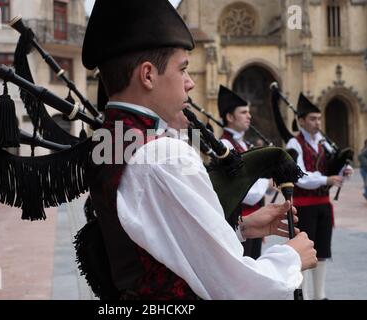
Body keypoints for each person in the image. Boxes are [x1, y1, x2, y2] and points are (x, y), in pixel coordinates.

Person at [83, 0, 316, 299]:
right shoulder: (164, 154)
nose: (191, 82)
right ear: (148, 75)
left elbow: (157, 245)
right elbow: (236, 288)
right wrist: (291, 258)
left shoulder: (110, 140)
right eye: (183, 69)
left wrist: (239, 229)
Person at [286, 93, 353, 300]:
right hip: (304, 207)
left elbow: (330, 169)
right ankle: (304, 297)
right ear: (301, 121)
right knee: (304, 252)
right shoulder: (294, 144)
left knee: (322, 251)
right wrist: (327, 180)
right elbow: (300, 176)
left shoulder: (324, 143)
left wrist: (342, 171)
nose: (317, 122)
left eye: (319, 118)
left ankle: (320, 295)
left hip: (324, 205)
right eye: (313, 119)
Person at [218, 85, 272, 259]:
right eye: (243, 112)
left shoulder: (244, 145)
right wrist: (268, 183)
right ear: (229, 116)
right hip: (239, 222)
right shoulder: (224, 147)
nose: (249, 116)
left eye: (248, 112)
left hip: (254, 218)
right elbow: (243, 190)